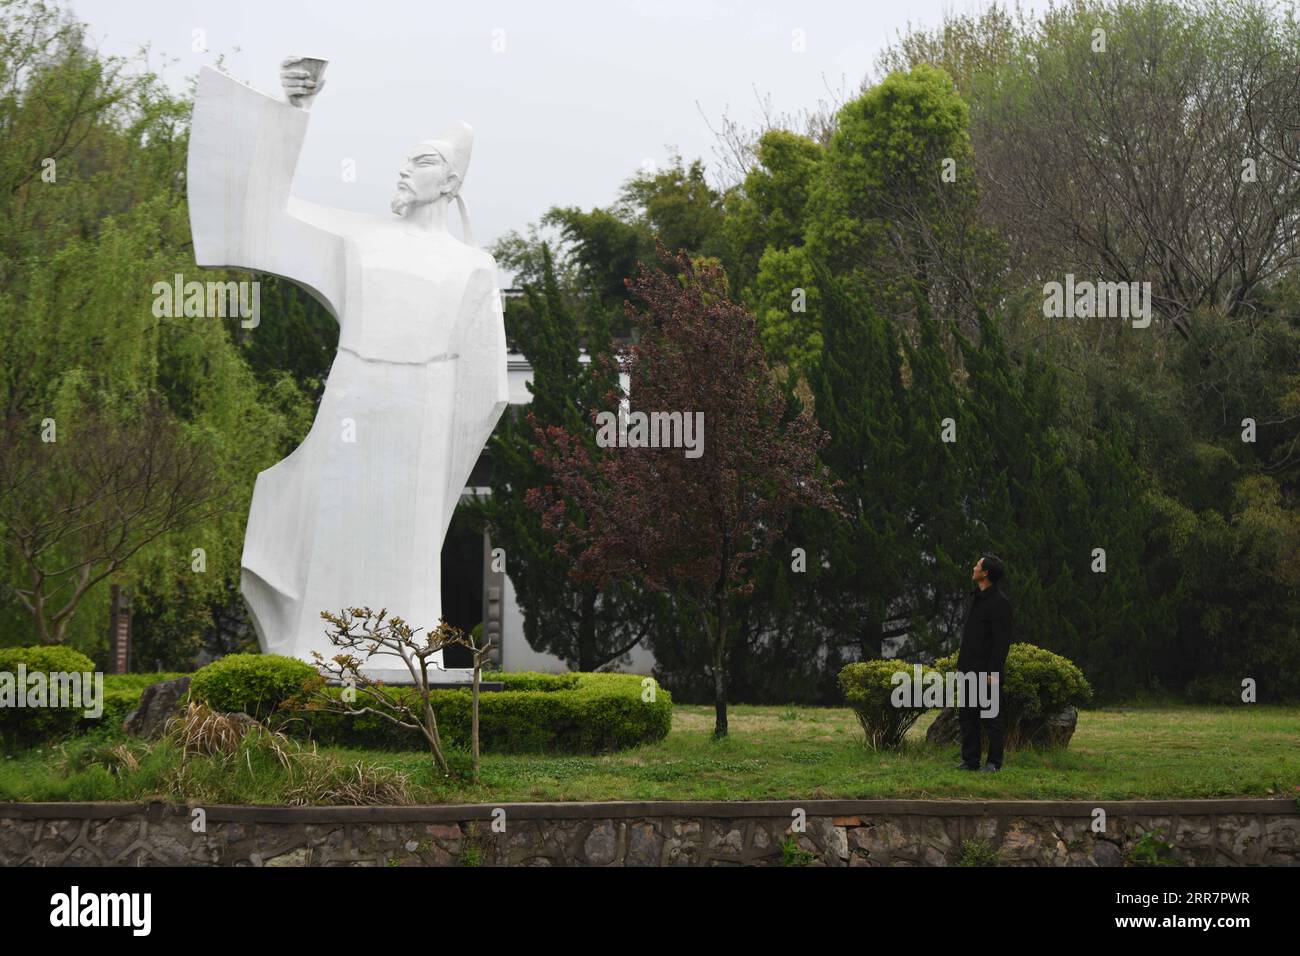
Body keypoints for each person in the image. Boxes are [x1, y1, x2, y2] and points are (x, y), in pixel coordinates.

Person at [955, 554, 1013, 772]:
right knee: (967, 717)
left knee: (991, 718)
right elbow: (970, 637)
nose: (973, 567)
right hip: (969, 669)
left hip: (987, 673)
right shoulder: (976, 597)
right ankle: (970, 761)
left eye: (977, 565)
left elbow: (1001, 642)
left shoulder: (1000, 603)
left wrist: (993, 672)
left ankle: (993, 763)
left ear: (985, 573)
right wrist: (961, 665)